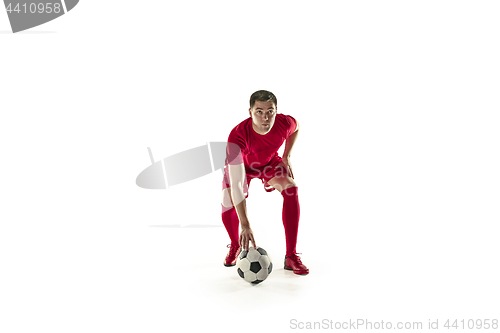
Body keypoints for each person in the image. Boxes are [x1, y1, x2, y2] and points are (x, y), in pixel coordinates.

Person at [220, 90, 309, 275]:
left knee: (291, 189)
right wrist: (245, 224)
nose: (265, 117)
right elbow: (237, 185)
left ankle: (291, 256)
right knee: (228, 199)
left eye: (270, 111)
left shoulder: (285, 123)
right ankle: (236, 245)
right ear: (250, 112)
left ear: (276, 111)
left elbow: (297, 126)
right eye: (259, 111)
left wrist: (287, 156)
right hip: (243, 167)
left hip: (268, 164)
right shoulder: (237, 136)